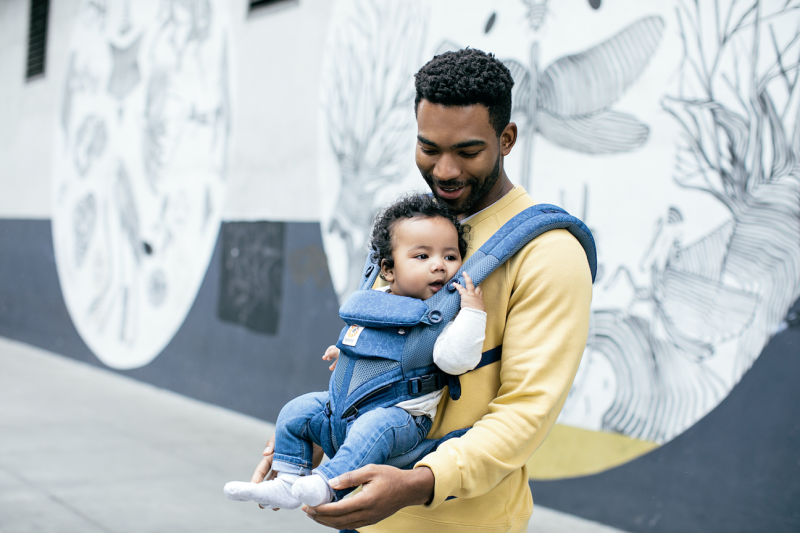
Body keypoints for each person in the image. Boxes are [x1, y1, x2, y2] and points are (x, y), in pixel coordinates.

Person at [252, 48, 593, 532]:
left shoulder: (550, 254)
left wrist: (418, 483)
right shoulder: (411, 230)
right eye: (429, 149)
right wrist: (313, 439)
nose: (445, 171)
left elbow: (526, 413)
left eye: (468, 152)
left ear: (507, 138)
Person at [225, 194, 488, 509]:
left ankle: (329, 484)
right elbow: (366, 338)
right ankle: (288, 478)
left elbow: (455, 360)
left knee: (372, 427)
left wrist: (472, 313)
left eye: (450, 257)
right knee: (297, 411)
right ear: (388, 270)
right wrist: (346, 351)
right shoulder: (375, 301)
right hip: (344, 409)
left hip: (402, 416)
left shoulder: (441, 316)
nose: (439, 266)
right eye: (422, 256)